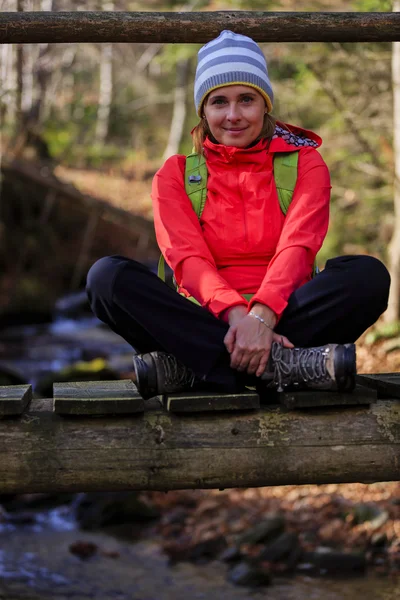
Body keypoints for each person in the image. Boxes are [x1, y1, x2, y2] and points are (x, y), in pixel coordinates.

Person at [86, 30, 390, 401]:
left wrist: (262, 318)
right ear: (204, 110)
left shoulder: (304, 164)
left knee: (367, 277)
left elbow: (298, 247)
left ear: (265, 105)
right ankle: (279, 367)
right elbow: (187, 259)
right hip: (205, 318)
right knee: (107, 278)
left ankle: (199, 369)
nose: (233, 115)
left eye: (246, 99)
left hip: (285, 316)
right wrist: (236, 319)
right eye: (219, 102)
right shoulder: (175, 174)